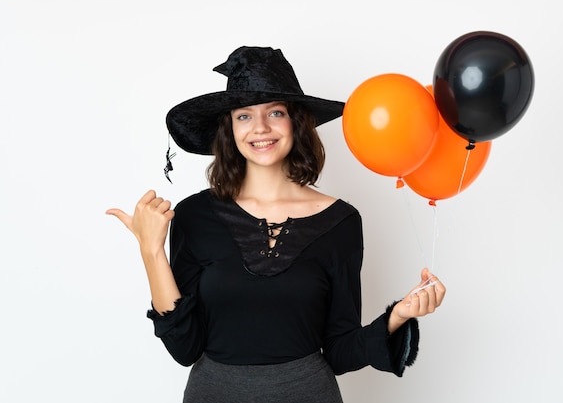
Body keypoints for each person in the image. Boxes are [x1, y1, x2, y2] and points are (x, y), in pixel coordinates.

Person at [106, 46, 446, 403]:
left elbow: (341, 351)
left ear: (296, 122)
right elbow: (184, 349)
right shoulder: (193, 215)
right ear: (230, 128)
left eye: (275, 112)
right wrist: (151, 251)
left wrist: (398, 316)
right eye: (244, 116)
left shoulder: (342, 222)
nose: (261, 128)